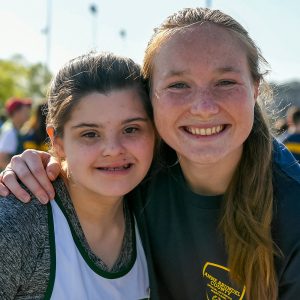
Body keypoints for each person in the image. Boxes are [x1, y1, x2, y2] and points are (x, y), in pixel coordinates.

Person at [1, 7, 300, 300]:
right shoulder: (137, 175)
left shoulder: (290, 208)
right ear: (152, 98)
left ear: (256, 88)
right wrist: (42, 167)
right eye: (178, 85)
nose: (204, 107)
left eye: (225, 82)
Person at [0, 52, 154, 299]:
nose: (113, 149)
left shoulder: (156, 213)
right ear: (57, 141)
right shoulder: (15, 223)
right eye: (90, 133)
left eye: (131, 129)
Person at [0, 97, 32, 169]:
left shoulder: (15, 129)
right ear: (16, 113)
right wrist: (18, 172)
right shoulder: (10, 132)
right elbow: (1, 160)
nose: (28, 114)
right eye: (25, 111)